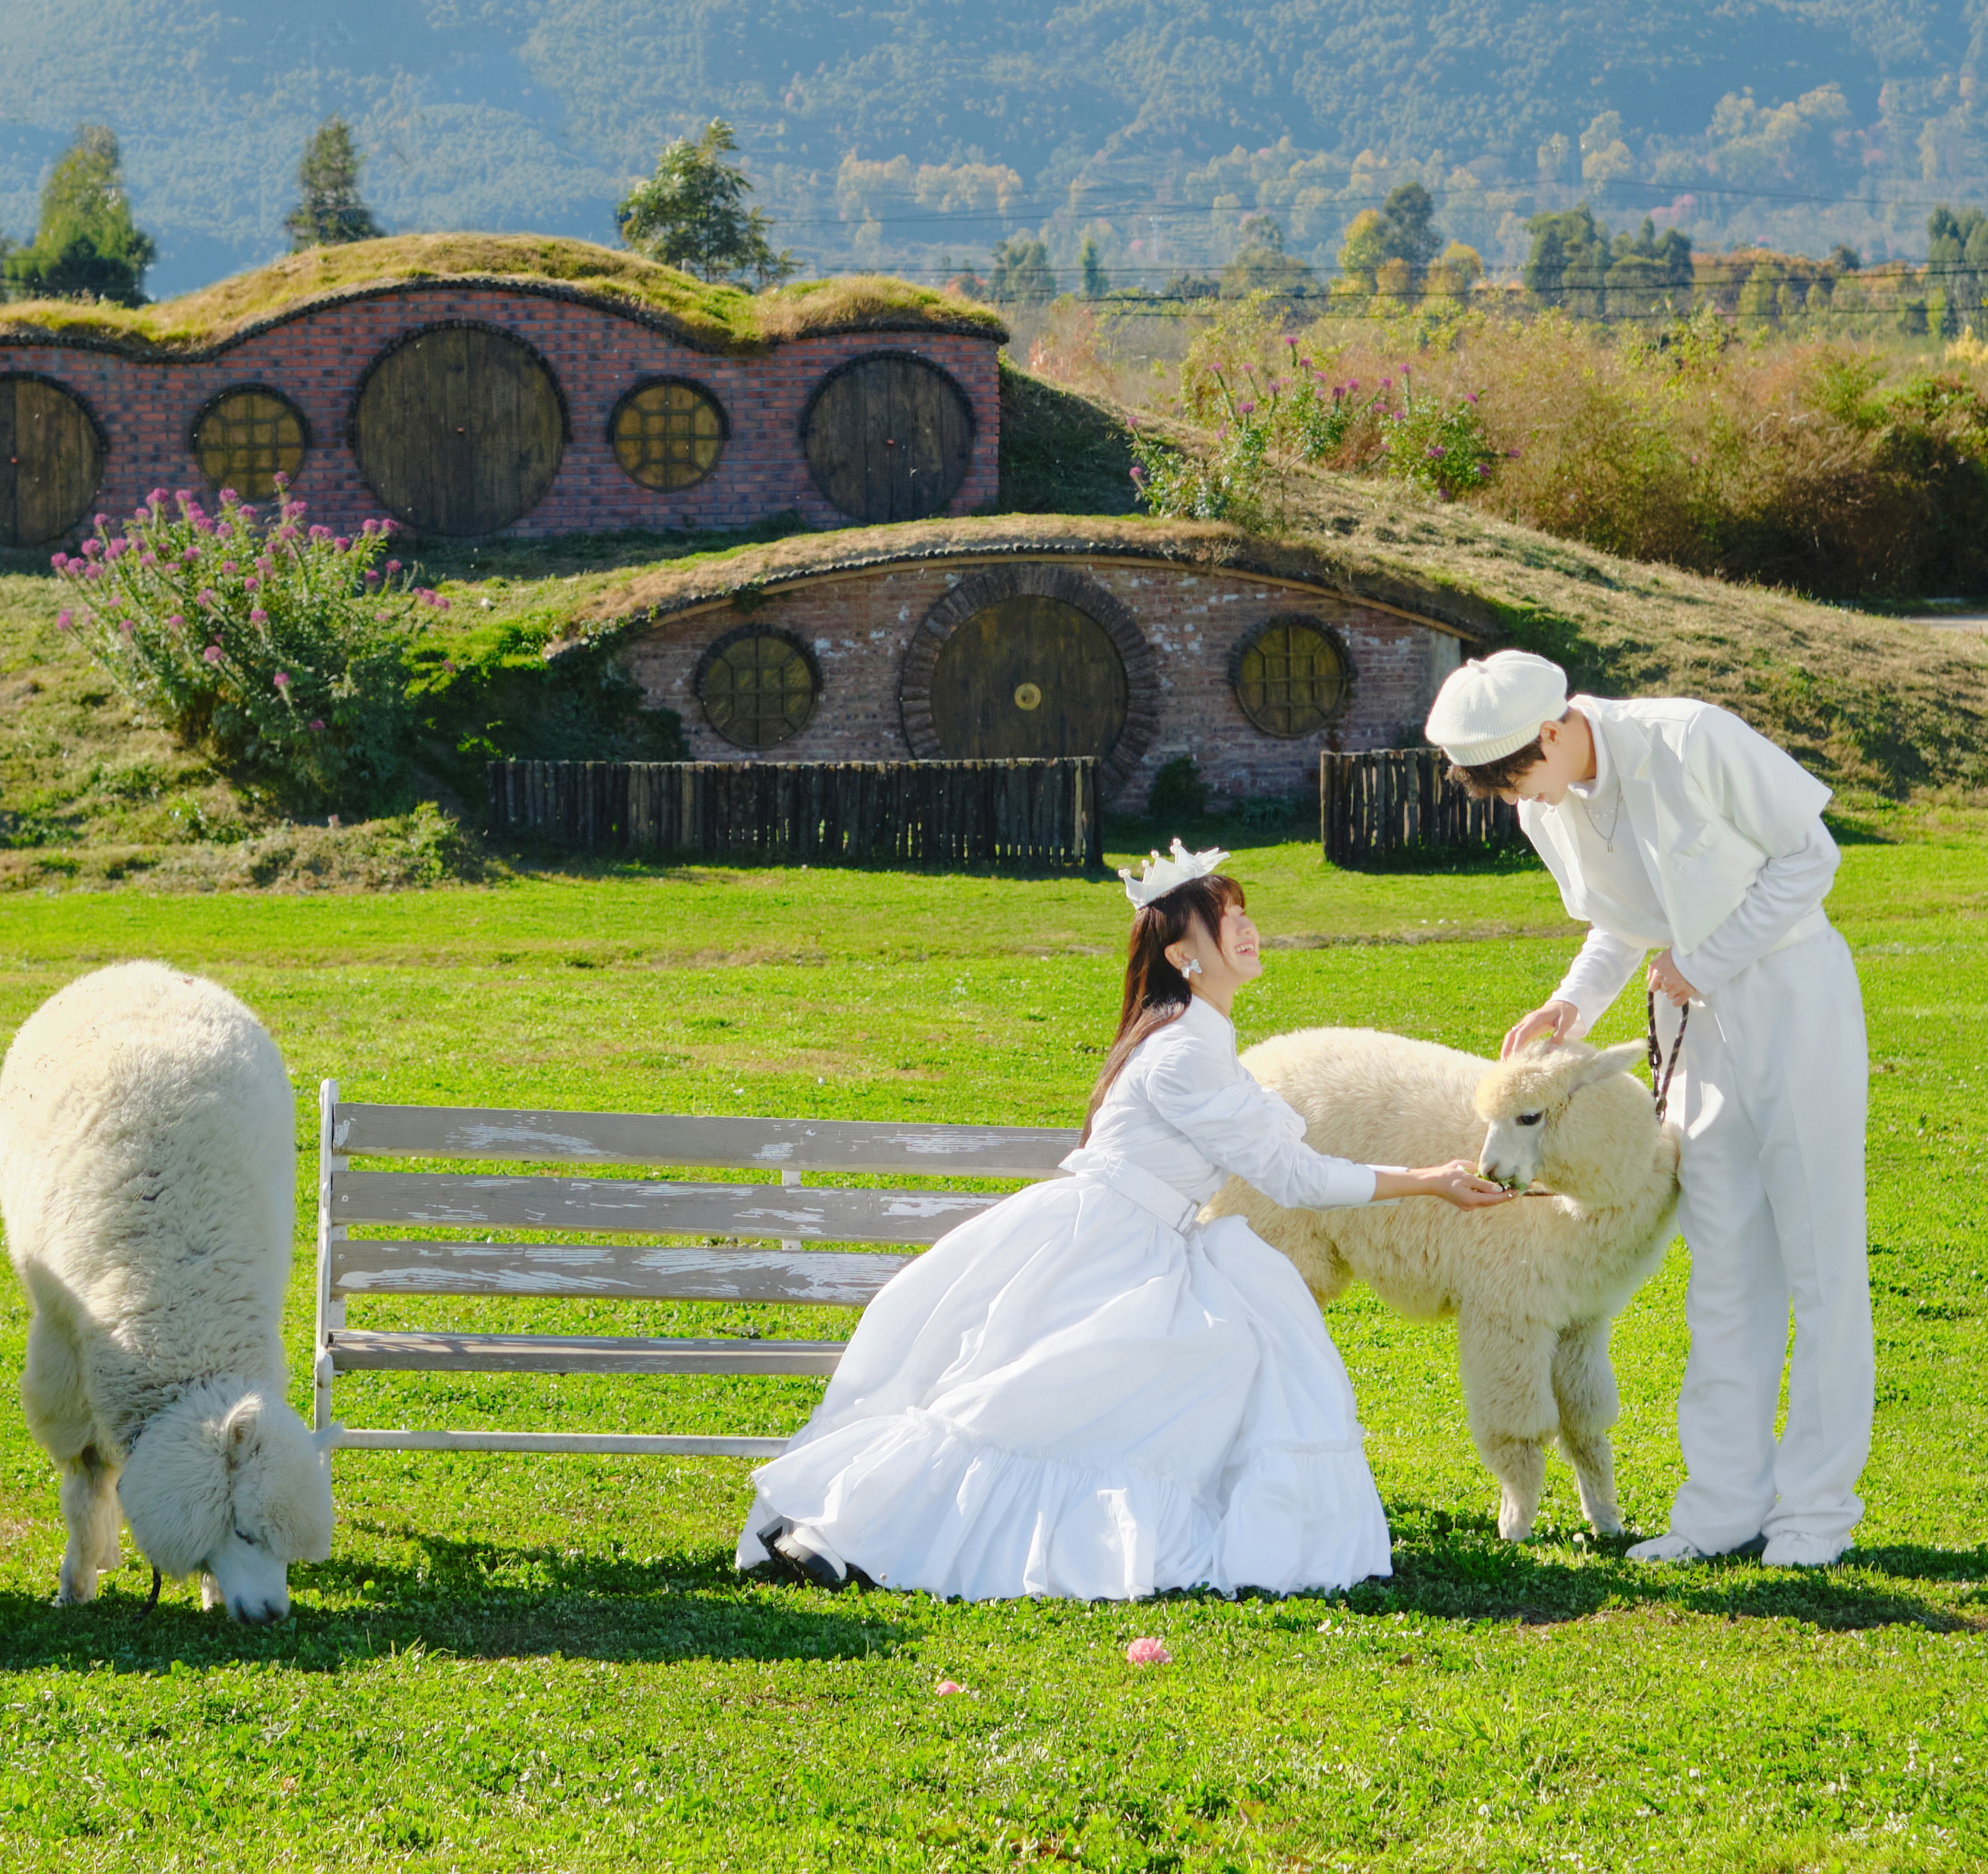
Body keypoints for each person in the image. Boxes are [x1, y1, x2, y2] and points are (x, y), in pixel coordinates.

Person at [737, 846, 1511, 1601]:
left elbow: (1281, 1155)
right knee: (1018, 1400)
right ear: (1184, 954)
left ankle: (872, 1528)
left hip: (1148, 1236)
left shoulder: (1199, 1043)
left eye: (1243, 912)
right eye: (1224, 920)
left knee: (1150, 1374)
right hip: (1110, 1241)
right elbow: (1292, 1175)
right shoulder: (1184, 1055)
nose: (1246, 928)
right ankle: (840, 1529)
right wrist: (1428, 1181)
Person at [1424, 647, 1870, 1569]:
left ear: (1555, 728)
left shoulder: (1690, 737)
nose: (1525, 802)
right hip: (1695, 1023)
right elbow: (1623, 919)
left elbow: (1810, 857)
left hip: (1794, 998)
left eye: (1523, 778)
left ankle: (1816, 1515)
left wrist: (1706, 959)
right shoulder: (1548, 800)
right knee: (1724, 1261)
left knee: (1822, 1265)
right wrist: (1572, 1003)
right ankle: (1720, 1510)